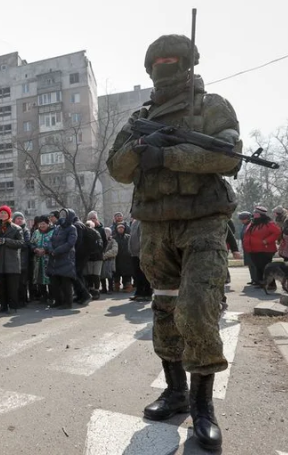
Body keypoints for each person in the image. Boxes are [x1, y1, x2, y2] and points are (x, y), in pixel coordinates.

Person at [107, 35, 244, 450]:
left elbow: (229, 156)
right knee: (165, 308)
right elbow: (117, 168)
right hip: (154, 225)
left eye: (173, 60)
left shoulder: (211, 105)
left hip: (201, 221)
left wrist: (170, 156)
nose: (165, 66)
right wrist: (141, 149)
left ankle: (203, 406)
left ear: (188, 64)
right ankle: (175, 390)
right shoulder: (138, 118)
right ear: (150, 70)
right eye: (158, 61)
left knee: (198, 308)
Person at [0, 205, 24, 314]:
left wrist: (5, 241)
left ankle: (13, 306)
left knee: (12, 287)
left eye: (5, 213)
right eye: (1, 213)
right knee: (1, 286)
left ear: (9, 215)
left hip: (12, 262)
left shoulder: (16, 228)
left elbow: (21, 243)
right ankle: (3, 306)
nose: (3, 215)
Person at [46, 208, 77, 309]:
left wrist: (57, 250)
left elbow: (70, 243)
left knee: (65, 283)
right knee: (55, 282)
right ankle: (58, 301)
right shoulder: (57, 227)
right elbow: (51, 240)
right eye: (62, 215)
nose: (63, 217)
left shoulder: (72, 228)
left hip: (66, 259)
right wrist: (50, 249)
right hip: (54, 259)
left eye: (65, 215)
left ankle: (68, 303)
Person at [243, 206, 281, 289]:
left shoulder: (268, 223)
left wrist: (266, 241)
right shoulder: (253, 223)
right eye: (254, 212)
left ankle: (271, 284)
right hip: (253, 249)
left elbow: (277, 232)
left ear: (261, 214)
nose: (254, 214)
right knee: (258, 267)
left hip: (265, 249)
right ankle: (262, 283)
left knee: (265, 267)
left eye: (256, 213)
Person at [30, 216, 55, 303]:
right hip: (38, 260)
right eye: (40, 224)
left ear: (48, 224)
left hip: (49, 260)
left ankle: (52, 297)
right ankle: (43, 297)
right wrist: (35, 249)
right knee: (39, 279)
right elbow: (31, 243)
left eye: (43, 224)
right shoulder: (36, 232)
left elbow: (55, 244)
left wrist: (46, 250)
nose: (41, 225)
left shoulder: (53, 232)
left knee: (50, 279)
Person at [71, 213, 92, 305]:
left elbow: (78, 241)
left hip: (80, 254)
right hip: (83, 254)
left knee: (75, 275)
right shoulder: (79, 224)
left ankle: (85, 294)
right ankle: (80, 295)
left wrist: (73, 251)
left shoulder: (77, 225)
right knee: (78, 275)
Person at [129, 219, 152, 302]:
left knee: (144, 274)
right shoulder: (134, 223)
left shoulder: (143, 221)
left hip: (142, 252)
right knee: (137, 274)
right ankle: (139, 293)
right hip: (134, 253)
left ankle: (148, 293)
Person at [12, 212, 32, 307]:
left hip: (23, 260)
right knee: (15, 282)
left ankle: (23, 300)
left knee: (22, 282)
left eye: (21, 218)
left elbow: (26, 243)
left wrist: (14, 244)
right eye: (17, 218)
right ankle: (17, 300)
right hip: (13, 260)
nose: (19, 220)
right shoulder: (11, 229)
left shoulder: (26, 230)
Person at [83, 220, 105, 300]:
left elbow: (100, 245)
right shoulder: (85, 234)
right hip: (90, 257)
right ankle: (92, 289)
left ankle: (96, 290)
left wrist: (91, 252)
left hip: (96, 257)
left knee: (95, 275)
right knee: (90, 275)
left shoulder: (96, 233)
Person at [236, 211, 257, 284]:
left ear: (247, 219)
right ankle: (253, 279)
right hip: (246, 248)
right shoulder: (245, 225)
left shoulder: (252, 225)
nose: (241, 221)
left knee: (253, 264)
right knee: (250, 264)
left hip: (252, 248)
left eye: (242, 219)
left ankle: (256, 279)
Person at [113, 224, 134, 293]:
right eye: (119, 228)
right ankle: (116, 286)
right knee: (116, 273)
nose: (120, 229)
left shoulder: (128, 237)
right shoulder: (114, 238)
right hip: (117, 258)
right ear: (116, 229)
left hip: (127, 258)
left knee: (127, 274)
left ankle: (127, 286)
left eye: (122, 228)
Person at [101, 227, 118, 295]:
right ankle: (104, 288)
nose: (106, 233)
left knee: (109, 275)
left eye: (107, 232)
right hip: (101, 260)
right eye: (105, 232)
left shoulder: (113, 241)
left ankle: (110, 288)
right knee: (101, 275)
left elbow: (114, 251)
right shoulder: (101, 240)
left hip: (109, 260)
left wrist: (104, 256)